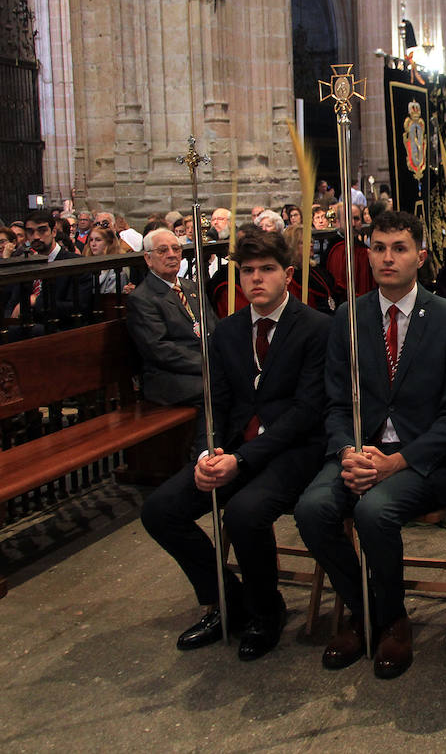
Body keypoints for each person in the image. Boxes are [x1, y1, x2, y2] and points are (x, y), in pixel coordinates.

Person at [294, 210, 446, 680]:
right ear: (367, 253)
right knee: (312, 509)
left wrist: (397, 462)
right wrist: (348, 451)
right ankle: (364, 607)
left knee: (374, 511)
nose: (387, 258)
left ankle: (393, 620)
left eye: (399, 248)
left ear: (421, 256)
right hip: (361, 450)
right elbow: (335, 401)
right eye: (378, 248)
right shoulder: (349, 317)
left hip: (423, 458)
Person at [141, 231, 330, 661]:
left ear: (288, 275)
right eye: (247, 271)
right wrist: (208, 454)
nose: (255, 279)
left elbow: (307, 411)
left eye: (266, 270)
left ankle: (267, 611)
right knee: (160, 510)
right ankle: (228, 599)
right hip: (233, 451)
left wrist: (242, 460)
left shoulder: (317, 328)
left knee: (245, 513)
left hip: (293, 451)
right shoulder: (225, 332)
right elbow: (217, 403)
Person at [126, 228, 217, 452]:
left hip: (201, 367)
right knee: (217, 388)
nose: (172, 254)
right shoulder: (143, 298)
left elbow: (214, 327)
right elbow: (160, 350)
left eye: (176, 248)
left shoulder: (191, 287)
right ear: (148, 258)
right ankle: (203, 454)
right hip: (168, 377)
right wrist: (207, 364)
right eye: (163, 250)